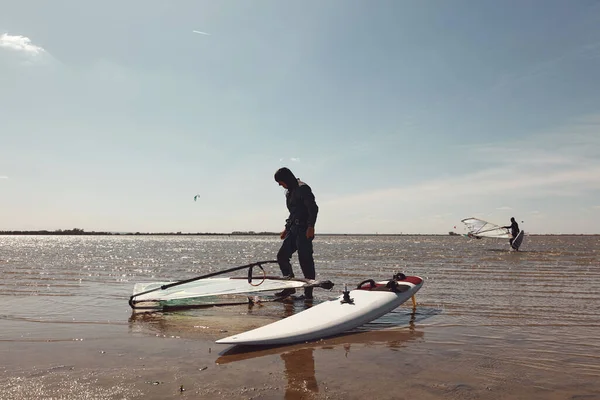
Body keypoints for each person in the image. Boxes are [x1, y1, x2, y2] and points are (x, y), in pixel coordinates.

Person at [273, 167, 319, 300]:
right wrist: (286, 228)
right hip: (293, 229)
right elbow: (293, 212)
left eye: (280, 182)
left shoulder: (303, 188)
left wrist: (311, 226)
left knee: (305, 260)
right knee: (282, 256)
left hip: (304, 230)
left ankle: (308, 295)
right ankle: (290, 287)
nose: (279, 185)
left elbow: (313, 208)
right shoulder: (289, 192)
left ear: (287, 179)